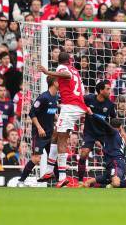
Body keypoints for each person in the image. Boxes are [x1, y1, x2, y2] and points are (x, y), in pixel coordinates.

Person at [37, 51, 92, 187]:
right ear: (70, 60)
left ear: (58, 60)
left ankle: (62, 176)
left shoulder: (63, 68)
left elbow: (65, 75)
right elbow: (82, 90)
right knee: (55, 135)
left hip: (71, 107)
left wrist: (48, 72)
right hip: (74, 105)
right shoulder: (75, 70)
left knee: (62, 138)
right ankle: (50, 170)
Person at [17, 76, 59, 186]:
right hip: (39, 134)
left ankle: (60, 182)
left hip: (50, 133)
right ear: (54, 82)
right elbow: (32, 113)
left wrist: (57, 118)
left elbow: (50, 112)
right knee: (36, 159)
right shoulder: (43, 97)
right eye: (60, 81)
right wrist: (39, 128)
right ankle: (21, 181)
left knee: (53, 158)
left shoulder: (56, 97)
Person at [77, 80, 116, 183]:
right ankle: (80, 180)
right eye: (107, 89)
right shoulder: (89, 99)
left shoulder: (110, 105)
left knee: (111, 154)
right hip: (89, 132)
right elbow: (77, 101)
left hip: (103, 133)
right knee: (84, 153)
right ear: (100, 90)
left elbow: (114, 120)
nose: (109, 91)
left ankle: (112, 177)